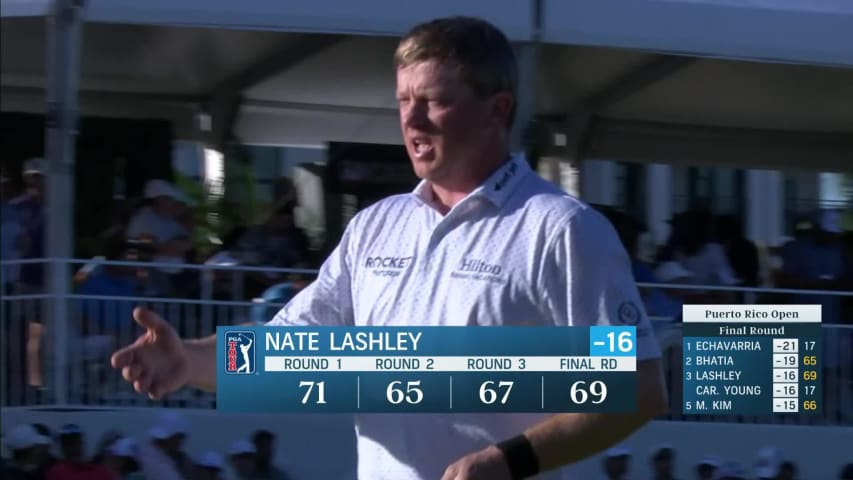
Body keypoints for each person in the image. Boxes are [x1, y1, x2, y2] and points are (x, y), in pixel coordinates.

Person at [110, 16, 667, 480]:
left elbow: (638, 389)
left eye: (434, 100)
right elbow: (285, 352)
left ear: (498, 109)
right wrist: (191, 359)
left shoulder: (562, 228)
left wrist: (506, 461)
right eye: (403, 99)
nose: (411, 118)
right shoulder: (376, 226)